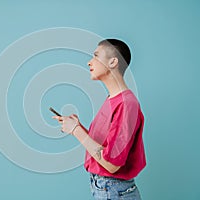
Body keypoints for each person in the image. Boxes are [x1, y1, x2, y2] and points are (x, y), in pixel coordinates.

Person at [52, 39, 146, 200]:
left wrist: (76, 131)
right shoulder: (113, 100)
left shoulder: (126, 104)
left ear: (113, 62)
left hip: (113, 190)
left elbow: (112, 164)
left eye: (96, 56)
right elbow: (105, 148)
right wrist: (78, 127)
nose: (89, 62)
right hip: (106, 188)